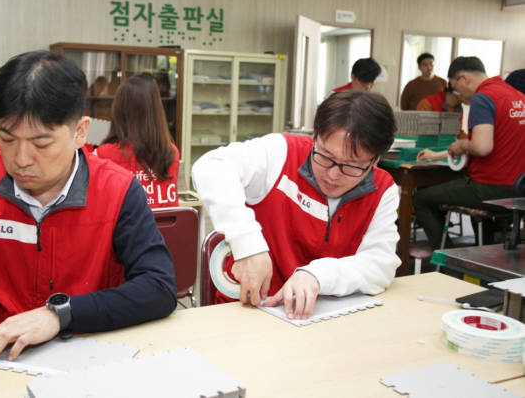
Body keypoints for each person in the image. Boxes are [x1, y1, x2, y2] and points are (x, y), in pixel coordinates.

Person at [0, 51, 177, 370]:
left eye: (41, 144)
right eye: (7, 138)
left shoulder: (117, 190)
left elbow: (158, 287)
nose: (21, 159)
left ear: (80, 131)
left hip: (87, 352)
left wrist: (59, 314)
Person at [192, 90, 401, 319]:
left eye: (351, 166)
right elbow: (210, 167)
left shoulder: (383, 190)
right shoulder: (281, 152)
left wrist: (317, 275)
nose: (332, 174)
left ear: (375, 160)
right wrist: (246, 243)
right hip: (249, 311)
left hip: (321, 319)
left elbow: (380, 264)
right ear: (315, 136)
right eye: (325, 156)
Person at [414, 56, 525, 249]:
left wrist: (463, 145)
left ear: (464, 78)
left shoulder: (483, 97)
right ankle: (485, 253)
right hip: (519, 189)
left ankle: (446, 258)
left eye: (456, 87)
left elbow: (482, 147)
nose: (458, 94)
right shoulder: (518, 97)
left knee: (421, 198)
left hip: (490, 188)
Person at [96, 73, 179, 209]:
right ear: (157, 111)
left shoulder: (105, 154)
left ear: (118, 109)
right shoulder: (171, 152)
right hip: (164, 231)